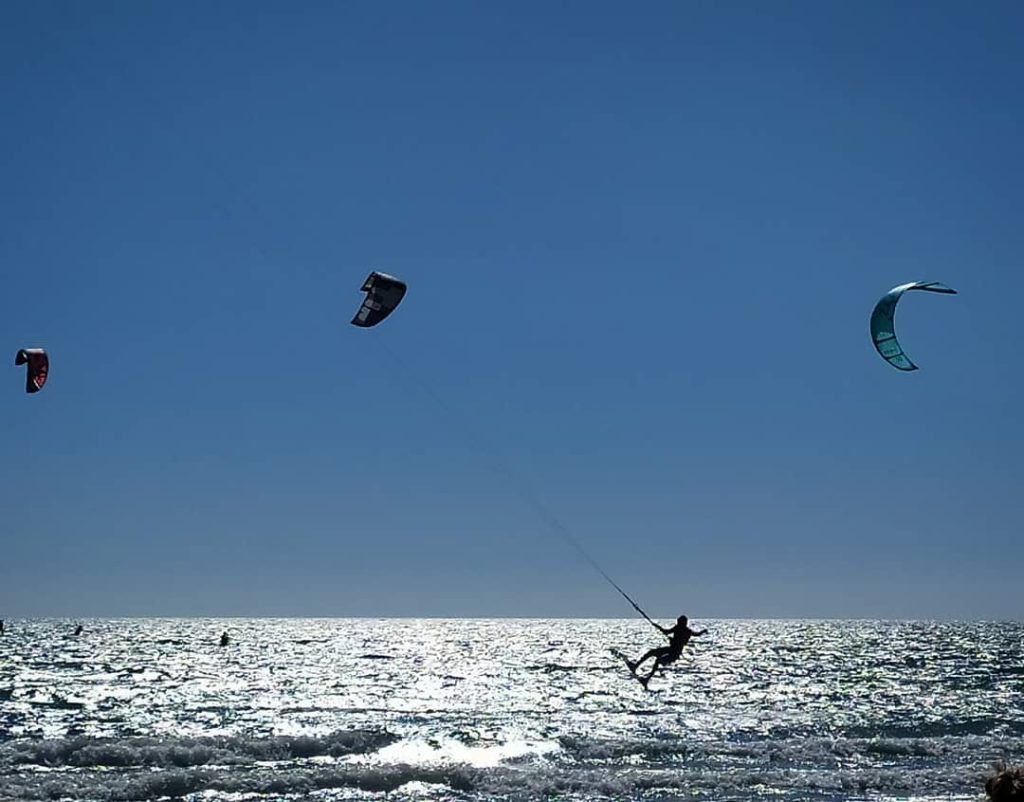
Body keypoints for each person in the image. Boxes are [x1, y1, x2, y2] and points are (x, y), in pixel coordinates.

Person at [627, 615, 707, 688]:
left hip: (674, 654)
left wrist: (703, 631)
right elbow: (667, 632)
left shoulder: (686, 631)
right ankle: (635, 666)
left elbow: (693, 635)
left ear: (683, 623)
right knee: (651, 652)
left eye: (679, 622)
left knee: (658, 661)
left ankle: (647, 679)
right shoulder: (678, 628)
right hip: (670, 649)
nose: (678, 623)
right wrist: (658, 627)